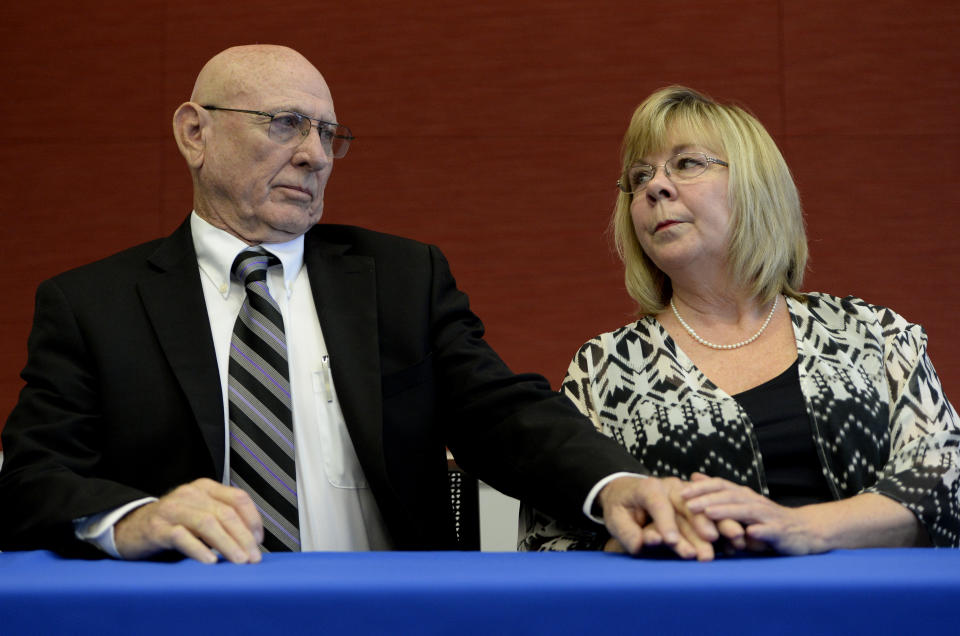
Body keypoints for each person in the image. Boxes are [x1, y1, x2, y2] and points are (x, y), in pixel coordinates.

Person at [0, 45, 697, 563]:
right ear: (194, 133)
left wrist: (614, 484)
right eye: (286, 124)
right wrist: (132, 519)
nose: (316, 154)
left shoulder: (400, 278)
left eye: (328, 134)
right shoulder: (93, 305)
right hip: (185, 617)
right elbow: (33, 477)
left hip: (387, 617)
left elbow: (502, 413)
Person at [519, 86, 960, 557]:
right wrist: (645, 544)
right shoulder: (602, 368)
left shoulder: (873, 332)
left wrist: (802, 528)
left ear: (755, 185)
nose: (655, 186)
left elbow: (946, 480)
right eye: (639, 176)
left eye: (686, 164)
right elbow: (548, 539)